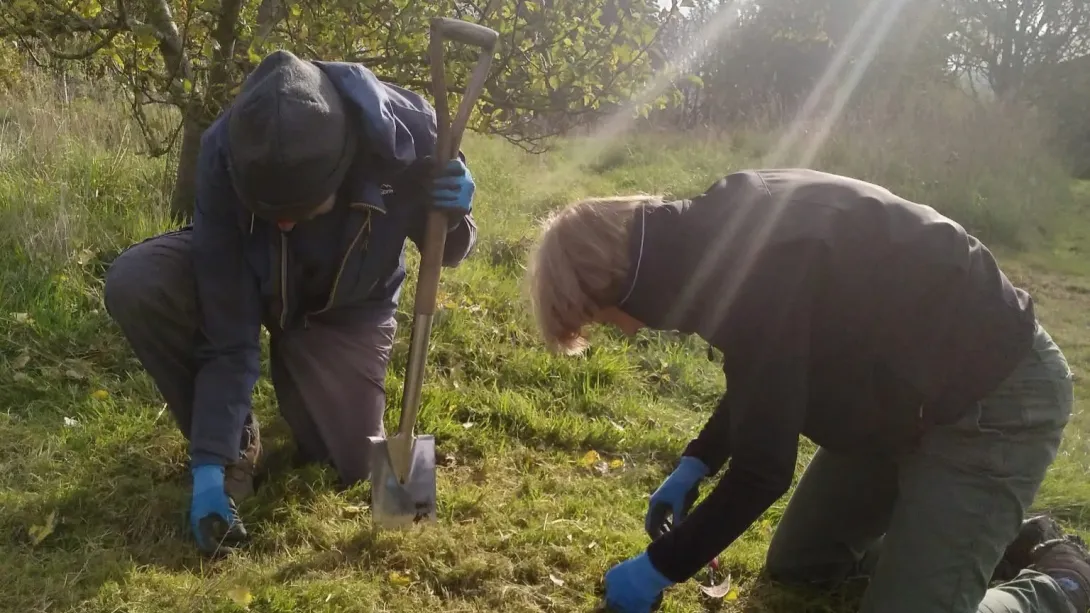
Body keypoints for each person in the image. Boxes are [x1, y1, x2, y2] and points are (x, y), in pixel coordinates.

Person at [526, 170, 1088, 613]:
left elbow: (762, 473)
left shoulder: (750, 263)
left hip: (993, 401)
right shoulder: (708, 244)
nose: (623, 330)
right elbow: (770, 367)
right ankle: (976, 537)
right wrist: (697, 461)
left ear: (614, 281)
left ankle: (1060, 580)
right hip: (898, 409)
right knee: (802, 565)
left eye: (599, 317)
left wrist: (659, 568)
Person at [104, 49, 477, 554]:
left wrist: (456, 216)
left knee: (345, 461)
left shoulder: (410, 134)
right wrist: (209, 465)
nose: (284, 224)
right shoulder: (225, 150)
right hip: (249, 278)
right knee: (140, 280)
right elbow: (226, 328)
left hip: (345, 308)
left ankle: (310, 386)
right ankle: (235, 443)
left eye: (300, 211)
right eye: (270, 212)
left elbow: (447, 252)